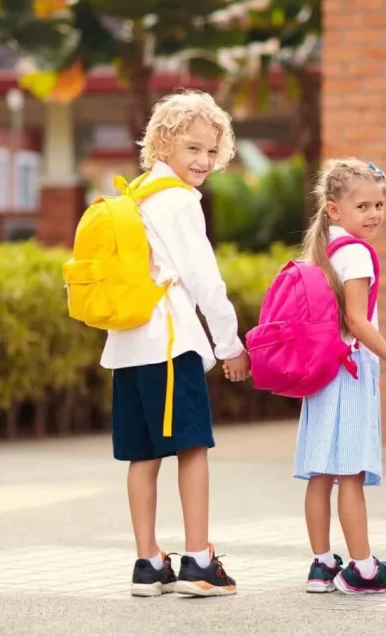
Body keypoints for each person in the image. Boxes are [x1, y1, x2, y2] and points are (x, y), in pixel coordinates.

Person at [101, 90, 249, 597]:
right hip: (169, 344)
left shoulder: (136, 196)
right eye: (193, 149)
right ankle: (199, 561)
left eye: (212, 151)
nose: (204, 161)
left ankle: (148, 563)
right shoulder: (179, 202)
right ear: (163, 144)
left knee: (142, 455)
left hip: (126, 346)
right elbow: (206, 282)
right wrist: (230, 345)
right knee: (192, 448)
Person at [294, 158, 386, 595]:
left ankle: (321, 565)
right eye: (364, 206)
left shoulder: (323, 249)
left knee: (320, 473)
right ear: (335, 209)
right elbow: (357, 322)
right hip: (349, 372)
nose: (374, 214)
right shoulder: (355, 254)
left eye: (379, 204)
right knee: (350, 473)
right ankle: (363, 568)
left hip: (319, 374)